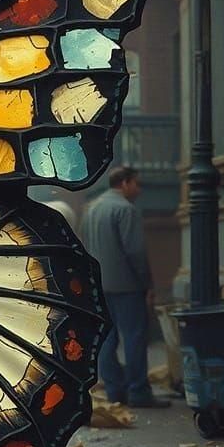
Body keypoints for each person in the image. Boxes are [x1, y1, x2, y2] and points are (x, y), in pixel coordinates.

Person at [81, 166, 170, 409]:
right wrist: (147, 284)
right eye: (136, 184)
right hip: (127, 285)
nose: (139, 189)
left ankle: (115, 391)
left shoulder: (92, 210)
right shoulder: (125, 210)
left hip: (99, 285)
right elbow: (136, 252)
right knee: (134, 337)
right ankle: (139, 391)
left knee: (106, 340)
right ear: (125, 183)